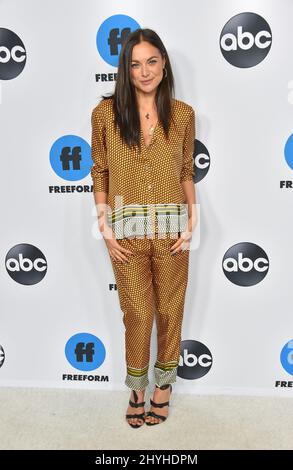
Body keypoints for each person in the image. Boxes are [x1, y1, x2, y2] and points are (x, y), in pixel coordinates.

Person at [91, 28, 197, 428]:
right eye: (135, 64)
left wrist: (192, 220)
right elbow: (99, 171)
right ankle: (137, 388)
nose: (144, 71)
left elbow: (186, 170)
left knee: (170, 309)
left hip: (174, 230)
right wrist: (105, 228)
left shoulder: (183, 114)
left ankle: (163, 387)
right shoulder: (105, 114)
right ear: (126, 70)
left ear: (164, 63)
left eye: (151, 61)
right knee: (137, 312)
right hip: (125, 232)